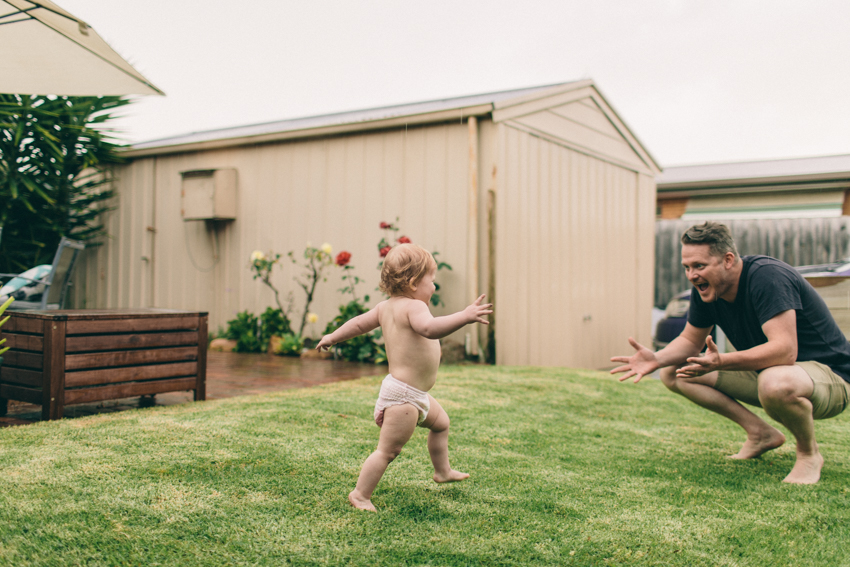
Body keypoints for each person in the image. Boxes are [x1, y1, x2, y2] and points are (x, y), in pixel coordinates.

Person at [611, 222, 850, 484]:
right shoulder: (706, 290)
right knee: (676, 372)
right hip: (773, 373)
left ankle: (808, 455)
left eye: (699, 266)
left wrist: (721, 361)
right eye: (687, 268)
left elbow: (785, 350)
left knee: (776, 381)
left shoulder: (767, 277)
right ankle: (760, 434)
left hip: (831, 377)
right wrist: (656, 359)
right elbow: (691, 340)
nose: (691, 275)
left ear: (727, 260)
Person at [316, 243, 492, 511]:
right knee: (387, 451)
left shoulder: (385, 307)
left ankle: (442, 471)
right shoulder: (415, 308)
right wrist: (464, 316)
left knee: (441, 424)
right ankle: (360, 494)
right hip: (404, 398)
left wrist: (332, 336)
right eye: (432, 280)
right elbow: (430, 329)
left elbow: (358, 324)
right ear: (412, 283)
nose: (434, 287)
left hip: (415, 394)